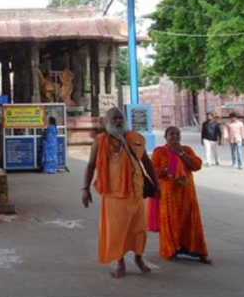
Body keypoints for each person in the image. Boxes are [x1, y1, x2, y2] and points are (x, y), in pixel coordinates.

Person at [82, 107, 161, 278]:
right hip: (113, 195)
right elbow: (90, 166)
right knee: (117, 231)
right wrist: (85, 189)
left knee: (139, 229)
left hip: (135, 194)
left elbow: (147, 162)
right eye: (114, 118)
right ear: (106, 121)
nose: (118, 121)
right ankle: (120, 263)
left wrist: (157, 183)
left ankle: (139, 259)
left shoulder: (136, 139)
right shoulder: (100, 141)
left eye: (120, 118)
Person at [152, 126, 211, 263]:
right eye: (171, 134)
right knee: (170, 222)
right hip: (168, 195)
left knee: (191, 221)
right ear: (165, 137)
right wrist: (169, 170)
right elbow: (154, 170)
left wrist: (181, 153)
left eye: (177, 134)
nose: (175, 136)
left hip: (187, 193)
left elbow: (196, 166)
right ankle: (171, 250)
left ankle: (198, 251)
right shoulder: (159, 152)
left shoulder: (187, 149)